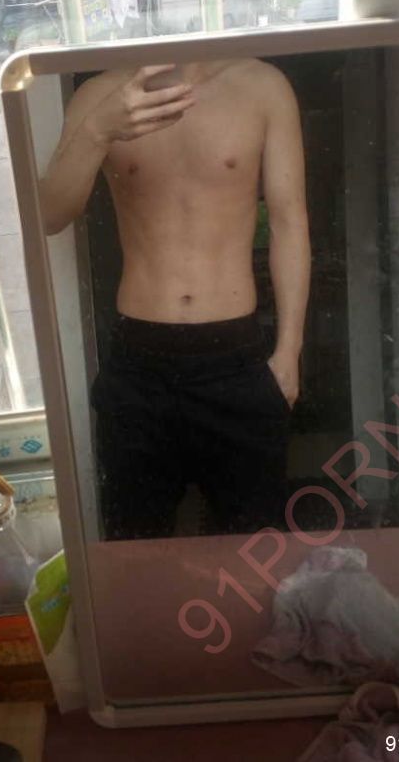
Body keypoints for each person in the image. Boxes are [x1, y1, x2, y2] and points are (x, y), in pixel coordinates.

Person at [40, 59, 311, 539]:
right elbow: (49, 215)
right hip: (138, 363)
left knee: (253, 545)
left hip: (237, 359)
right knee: (135, 545)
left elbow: (289, 221)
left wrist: (289, 350)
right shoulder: (99, 96)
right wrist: (98, 130)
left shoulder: (263, 87)